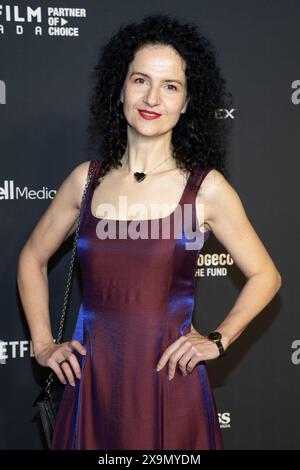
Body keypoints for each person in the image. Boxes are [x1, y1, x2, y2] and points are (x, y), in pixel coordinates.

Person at [17, 14, 282, 450]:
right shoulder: (86, 181)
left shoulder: (206, 188)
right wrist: (43, 344)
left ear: (186, 101)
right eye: (141, 80)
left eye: (170, 86)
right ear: (120, 88)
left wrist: (219, 339)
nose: (152, 97)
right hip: (92, 388)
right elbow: (31, 258)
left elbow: (266, 276)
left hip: (170, 386)